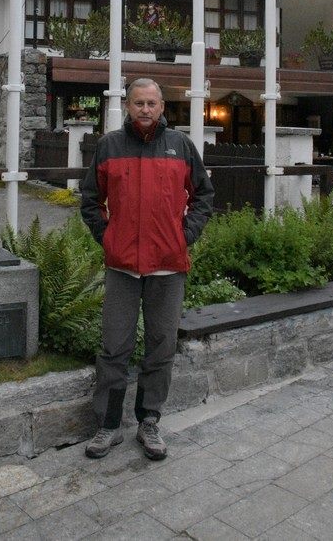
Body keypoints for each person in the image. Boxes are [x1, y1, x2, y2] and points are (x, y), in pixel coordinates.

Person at [80, 78, 214, 460]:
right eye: (138, 102)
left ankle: (149, 421)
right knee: (114, 347)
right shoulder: (109, 146)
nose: (145, 109)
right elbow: (91, 201)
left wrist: (184, 235)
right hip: (122, 267)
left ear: (162, 107)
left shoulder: (181, 146)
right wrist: (109, 238)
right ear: (127, 105)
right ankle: (107, 426)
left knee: (161, 346)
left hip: (167, 267)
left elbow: (204, 195)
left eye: (152, 103)